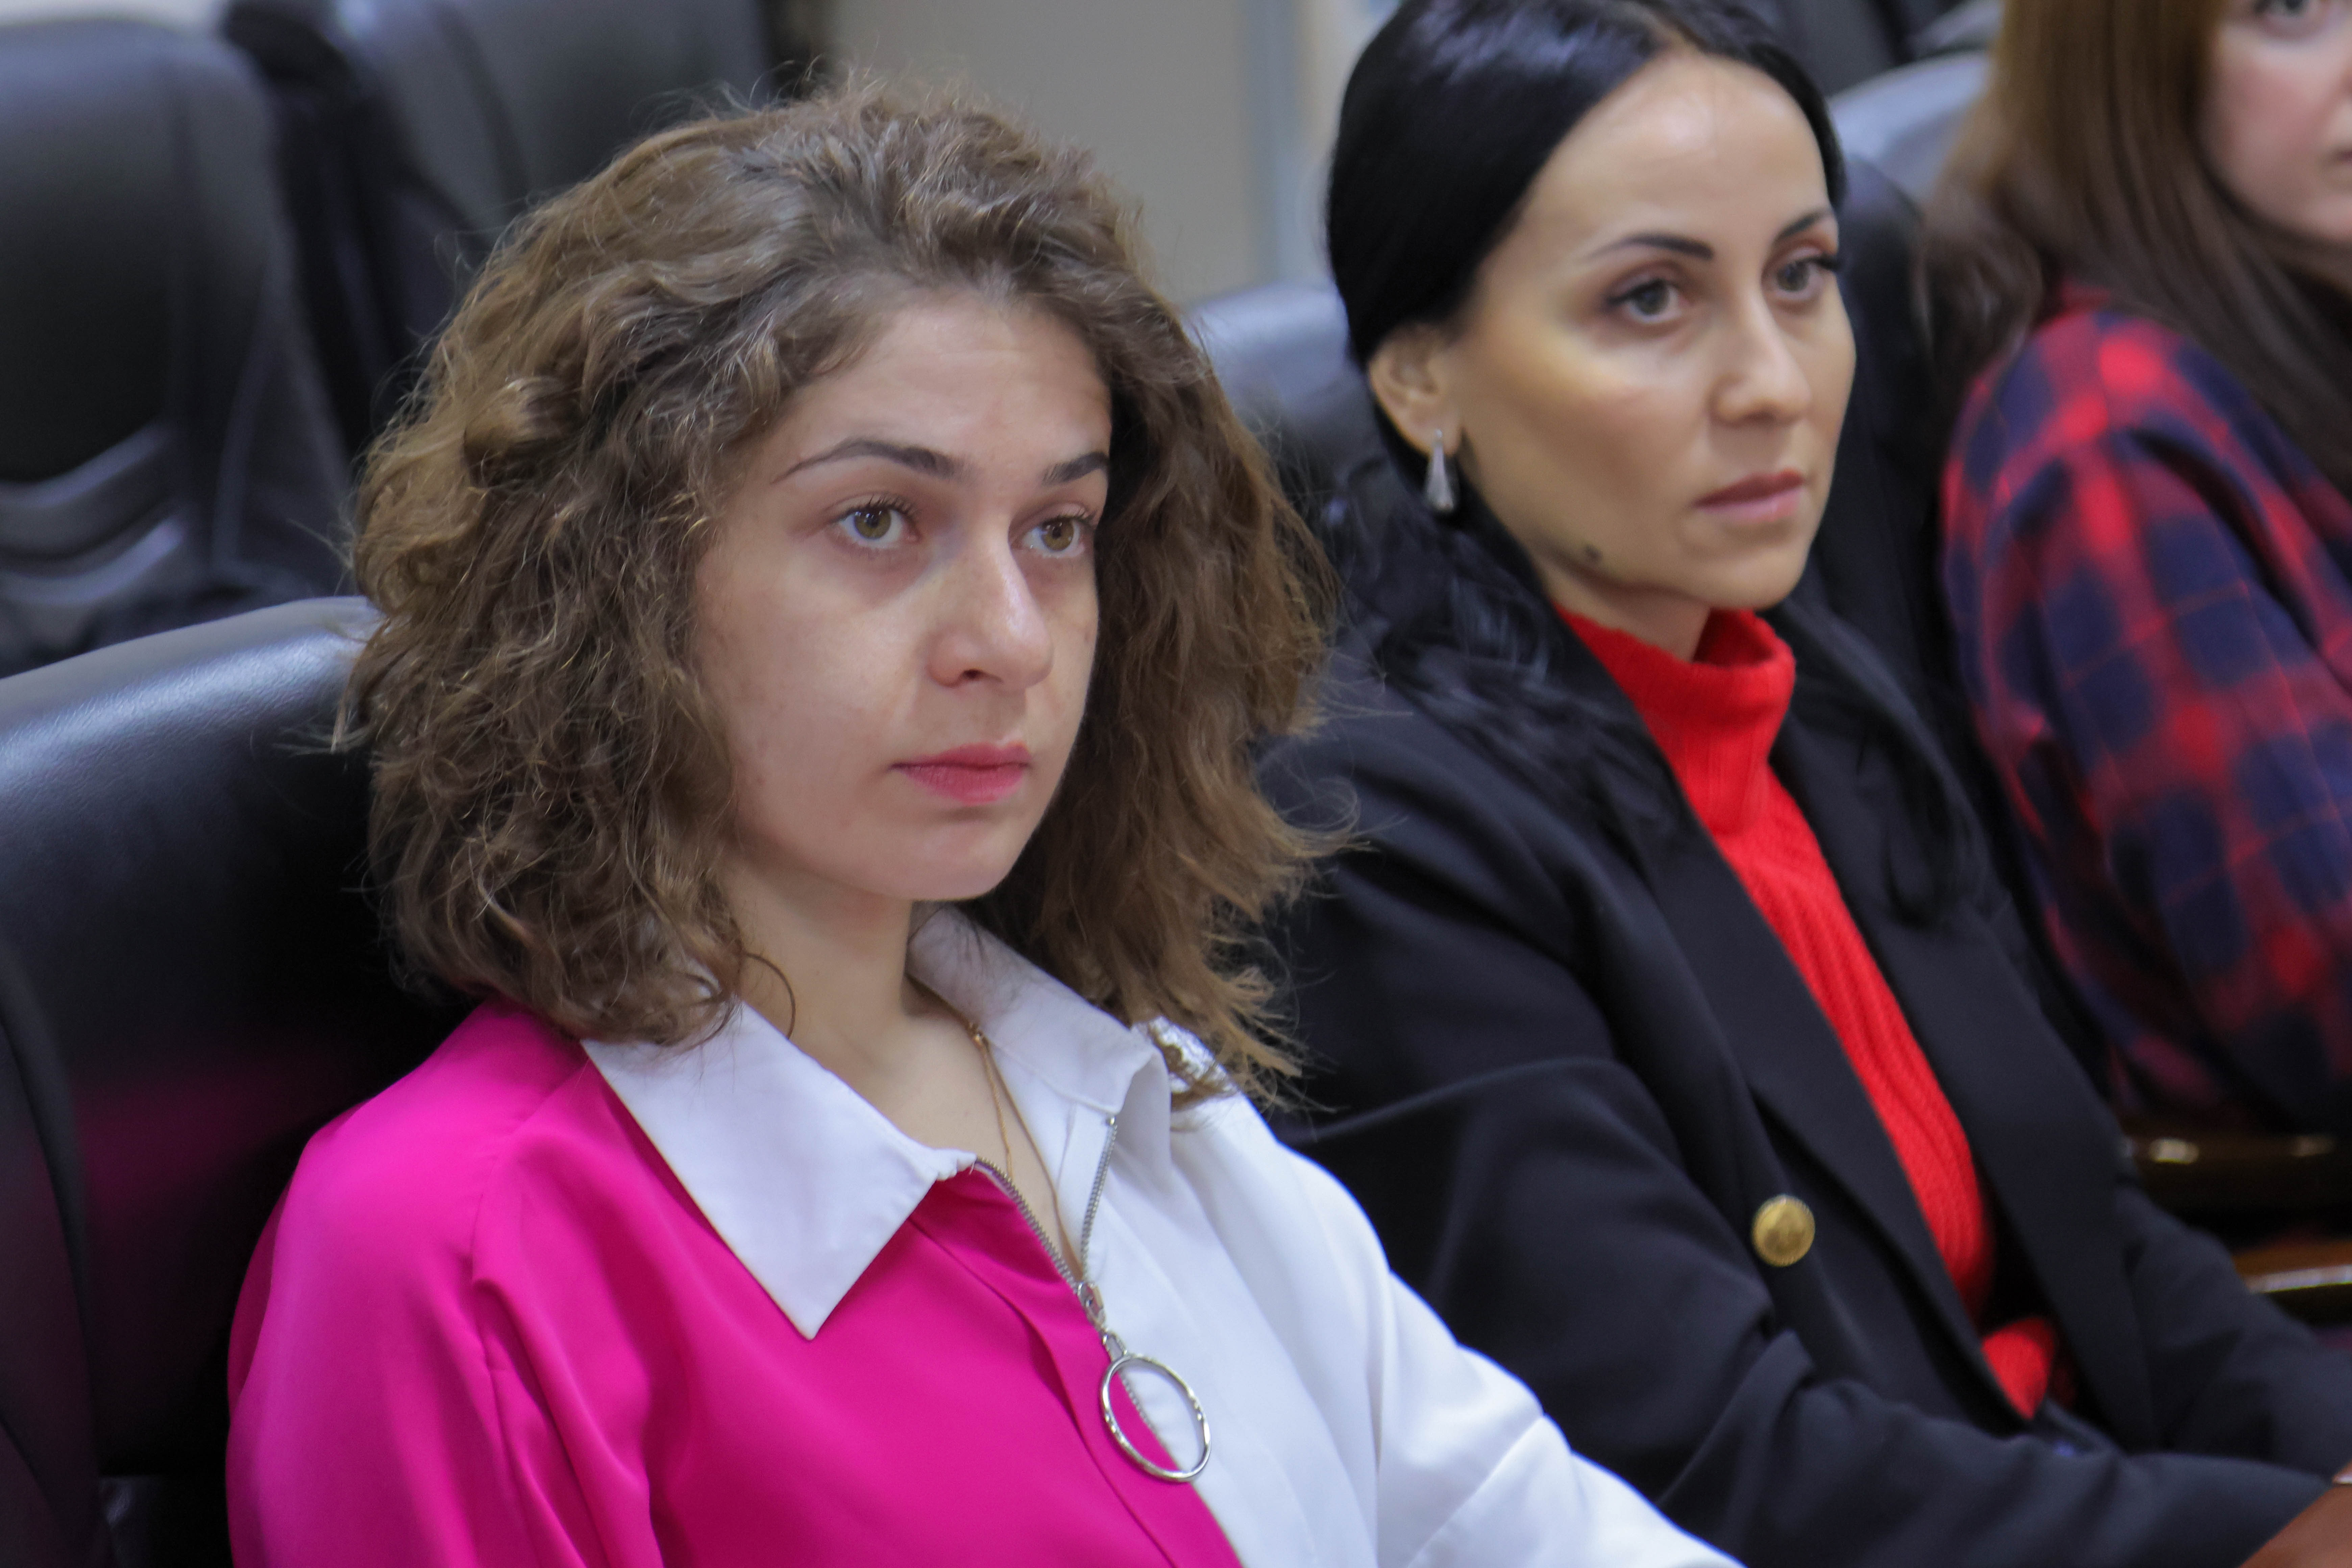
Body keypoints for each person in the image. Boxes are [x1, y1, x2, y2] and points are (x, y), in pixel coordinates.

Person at [220, 84, 1733, 1568]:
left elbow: (1516, 1520)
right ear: (615, 579)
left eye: (1058, 531)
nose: (1010, 639)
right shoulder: (452, 1256)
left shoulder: (1120, 1075)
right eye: (879, 521)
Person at [1263, 1, 2352, 1565]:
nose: (1773, 379)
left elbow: (2101, 1235)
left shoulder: (1801, 687)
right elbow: (1727, 1465)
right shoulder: (1381, 836)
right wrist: (2284, 1532)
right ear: (1419, 376)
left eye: (1803, 275)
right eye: (1651, 299)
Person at [1931, 0, 2352, 1135]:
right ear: (2121, 53)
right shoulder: (2107, 441)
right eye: (2292, 8)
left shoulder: (2307, 309)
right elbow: (2331, 996)